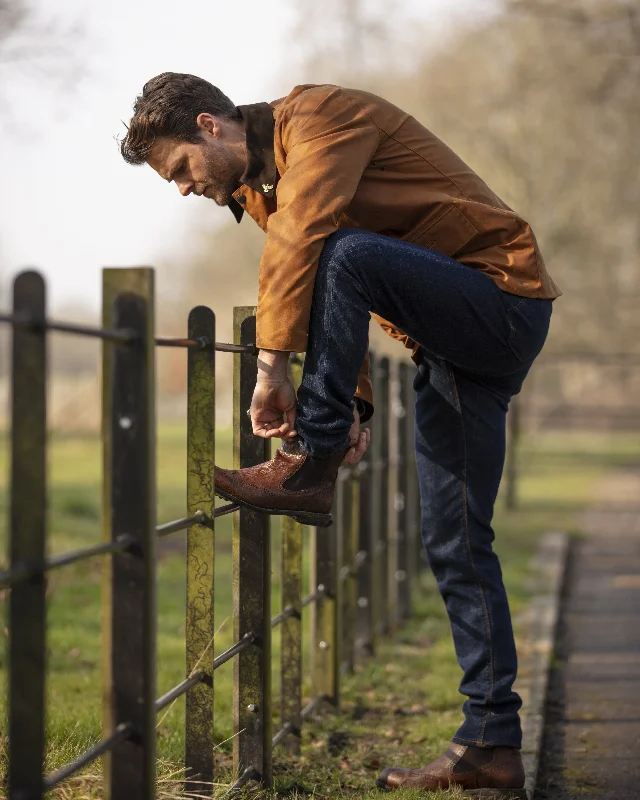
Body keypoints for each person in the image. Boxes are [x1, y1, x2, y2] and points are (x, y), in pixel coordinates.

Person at [121, 72, 560, 797]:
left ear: (209, 126)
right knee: (454, 541)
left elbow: (313, 242)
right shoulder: (264, 192)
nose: (183, 190)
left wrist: (273, 369)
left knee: (340, 252)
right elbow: (334, 301)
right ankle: (492, 743)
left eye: (178, 170)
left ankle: (308, 467)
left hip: (501, 296)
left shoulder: (320, 118)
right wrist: (350, 407)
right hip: (449, 345)